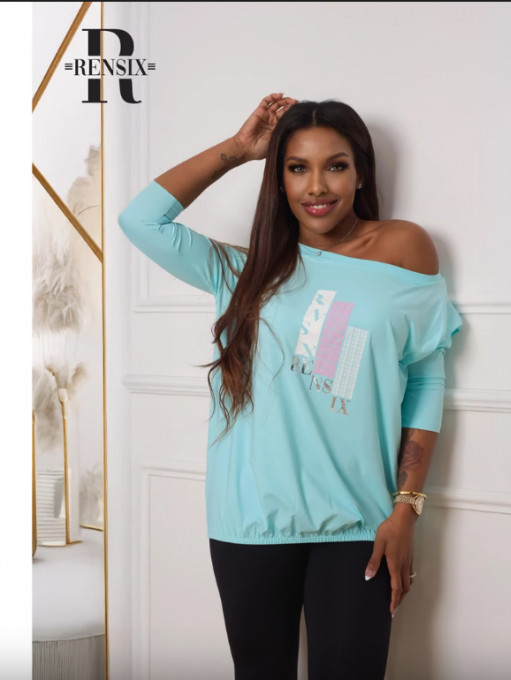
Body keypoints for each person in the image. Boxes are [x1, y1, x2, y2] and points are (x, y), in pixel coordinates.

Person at [118, 92, 463, 680]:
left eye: (336, 165)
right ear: (278, 180)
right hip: (250, 522)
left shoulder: (405, 248)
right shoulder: (242, 272)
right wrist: (237, 150)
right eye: (297, 167)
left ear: (361, 173)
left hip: (359, 522)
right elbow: (139, 220)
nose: (317, 186)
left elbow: (425, 377)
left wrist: (407, 508)